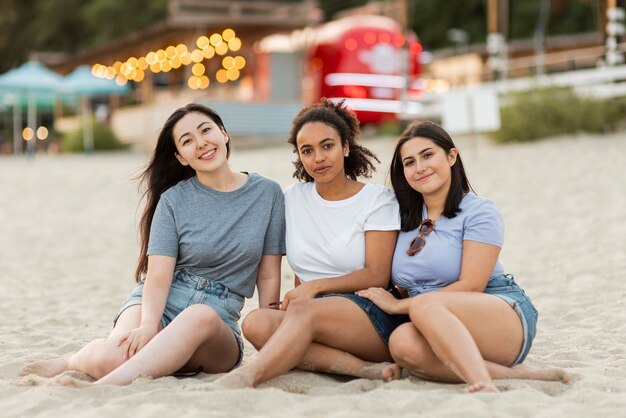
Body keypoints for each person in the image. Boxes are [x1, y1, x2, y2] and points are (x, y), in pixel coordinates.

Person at [21, 103, 285, 385]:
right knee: (114, 355)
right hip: (160, 301)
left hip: (216, 323)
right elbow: (159, 276)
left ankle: (104, 386)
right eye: (187, 141)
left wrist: (270, 332)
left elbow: (268, 272)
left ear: (224, 134)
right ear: (181, 157)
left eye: (206, 130)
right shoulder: (173, 200)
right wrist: (148, 326)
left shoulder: (267, 193)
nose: (201, 143)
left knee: (200, 316)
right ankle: (72, 361)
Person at [356, 121, 570, 392]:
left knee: (424, 304)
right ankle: (516, 375)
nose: (419, 167)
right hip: (432, 320)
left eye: (427, 155)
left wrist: (399, 306)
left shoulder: (480, 211)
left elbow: (472, 285)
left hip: (495, 308)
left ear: (451, 156)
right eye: (409, 162)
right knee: (402, 344)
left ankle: (481, 383)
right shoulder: (402, 218)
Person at [215, 98, 404, 388]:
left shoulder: (377, 200)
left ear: (345, 147)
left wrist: (314, 288)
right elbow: (302, 267)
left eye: (327, 146)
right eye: (307, 150)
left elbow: (378, 274)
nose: (318, 158)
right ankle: (365, 370)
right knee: (256, 323)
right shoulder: (292, 198)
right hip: (312, 313)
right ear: (299, 156)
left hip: (368, 314)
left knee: (303, 310)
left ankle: (247, 376)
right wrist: (300, 294)